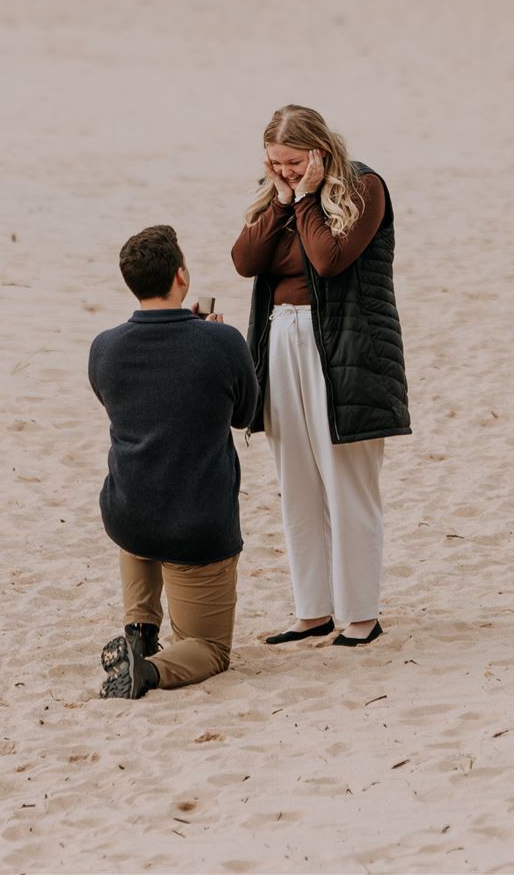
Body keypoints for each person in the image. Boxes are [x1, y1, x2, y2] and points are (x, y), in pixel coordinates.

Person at [230, 105, 409, 649]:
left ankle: (360, 614)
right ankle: (313, 610)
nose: (282, 171)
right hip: (279, 340)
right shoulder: (280, 198)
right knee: (297, 482)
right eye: (274, 163)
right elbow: (245, 260)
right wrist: (283, 200)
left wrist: (307, 198)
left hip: (343, 347)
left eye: (292, 162)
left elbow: (329, 259)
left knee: (346, 479)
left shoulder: (364, 188)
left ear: (319, 152)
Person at [90, 225, 258, 699]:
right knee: (207, 647)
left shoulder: (105, 347)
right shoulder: (222, 343)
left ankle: (139, 629)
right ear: (181, 276)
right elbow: (245, 415)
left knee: (139, 520)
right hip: (196, 525)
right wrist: (217, 340)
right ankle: (147, 671)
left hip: (130, 512)